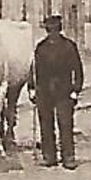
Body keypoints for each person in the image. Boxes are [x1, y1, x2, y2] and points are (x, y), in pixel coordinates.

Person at [29, 14, 84, 170]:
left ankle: (68, 157)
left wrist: (76, 89)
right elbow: (34, 70)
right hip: (44, 90)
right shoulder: (41, 47)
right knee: (46, 124)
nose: (52, 34)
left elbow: (77, 69)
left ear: (59, 30)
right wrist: (32, 88)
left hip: (64, 90)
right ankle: (49, 156)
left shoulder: (68, 46)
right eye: (49, 30)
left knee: (65, 124)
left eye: (54, 30)